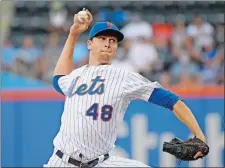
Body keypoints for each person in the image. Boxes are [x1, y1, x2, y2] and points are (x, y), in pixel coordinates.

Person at [44, 8, 207, 167]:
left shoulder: (124, 77)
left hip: (101, 162)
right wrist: (73, 33)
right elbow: (58, 80)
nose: (108, 43)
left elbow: (171, 100)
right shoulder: (75, 76)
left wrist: (199, 134)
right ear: (89, 44)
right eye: (102, 38)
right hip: (61, 161)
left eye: (112, 41)